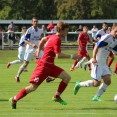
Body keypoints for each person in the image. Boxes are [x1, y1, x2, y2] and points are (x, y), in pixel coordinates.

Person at [9, 21, 78, 109]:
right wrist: (72, 56)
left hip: (50, 66)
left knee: (67, 77)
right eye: (66, 31)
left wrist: (38, 50)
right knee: (33, 87)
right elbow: (58, 55)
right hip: (43, 66)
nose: (67, 33)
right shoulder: (56, 39)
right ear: (60, 30)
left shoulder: (53, 36)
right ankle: (14, 99)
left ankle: (56, 96)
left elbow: (43, 39)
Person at [73, 24, 117, 101]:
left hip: (103, 64)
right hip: (97, 62)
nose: (116, 33)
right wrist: (93, 58)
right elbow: (96, 46)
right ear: (112, 29)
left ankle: (96, 97)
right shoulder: (107, 37)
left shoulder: (115, 40)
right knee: (96, 83)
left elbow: (115, 51)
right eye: (116, 31)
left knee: (108, 81)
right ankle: (79, 84)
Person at [14, 17, 43, 83]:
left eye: (36, 21)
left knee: (42, 62)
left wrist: (41, 46)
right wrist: (31, 44)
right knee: (25, 64)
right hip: (30, 49)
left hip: (37, 49)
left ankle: (46, 77)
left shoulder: (39, 30)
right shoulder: (29, 30)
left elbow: (39, 38)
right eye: (34, 21)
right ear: (32, 22)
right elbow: (25, 39)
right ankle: (17, 76)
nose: (35, 22)